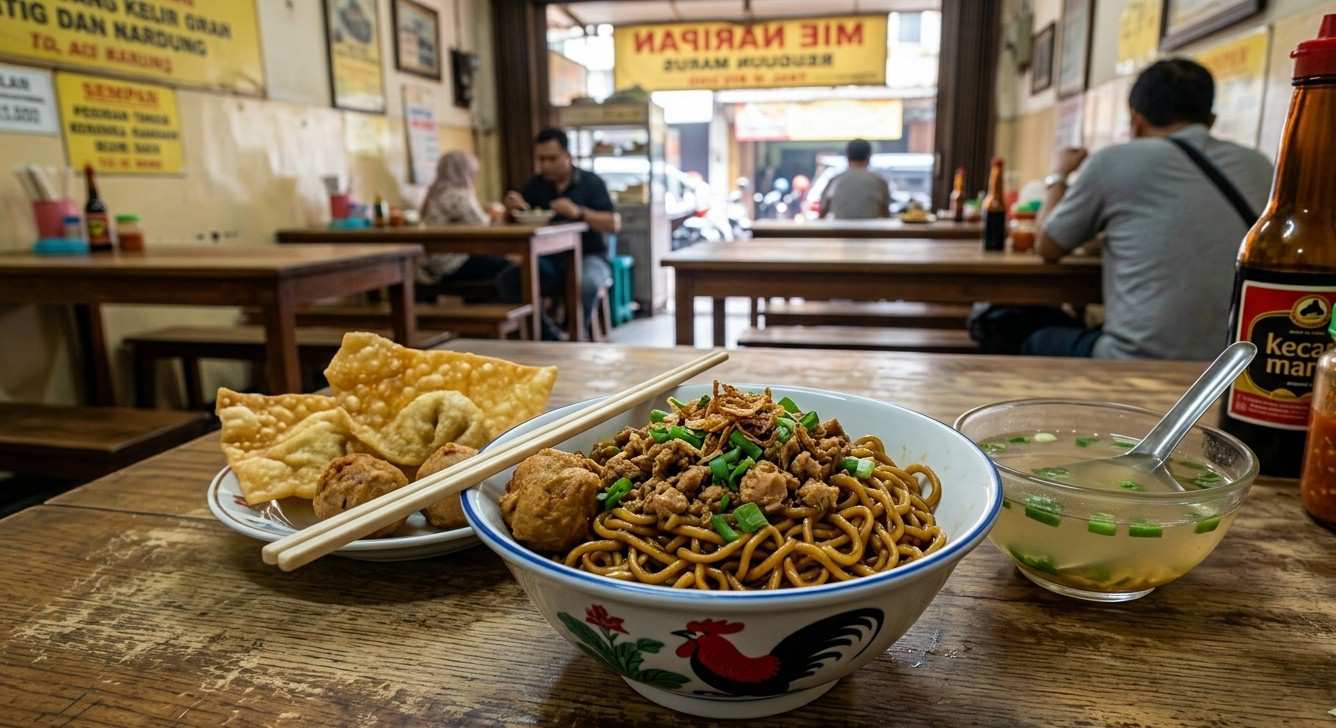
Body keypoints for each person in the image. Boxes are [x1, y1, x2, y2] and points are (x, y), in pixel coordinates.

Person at [1028, 58, 1273, 359]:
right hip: (1235, 367)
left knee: (1011, 326)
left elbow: (1047, 246)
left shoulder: (1112, 161)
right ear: (1210, 120)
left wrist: (1059, 173)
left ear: (1135, 120)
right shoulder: (1260, 165)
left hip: (1134, 360)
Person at [504, 128, 620, 338]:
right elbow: (525, 216)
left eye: (552, 158)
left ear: (567, 155)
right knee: (509, 279)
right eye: (541, 159)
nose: (546, 165)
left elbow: (614, 223)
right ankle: (551, 335)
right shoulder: (536, 185)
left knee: (586, 283)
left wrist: (579, 212)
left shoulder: (590, 182)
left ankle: (576, 334)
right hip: (549, 259)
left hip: (591, 256)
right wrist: (516, 208)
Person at [416, 150, 514, 302]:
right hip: (451, 263)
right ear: (464, 171)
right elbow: (483, 227)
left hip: (433, 262)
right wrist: (499, 213)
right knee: (511, 269)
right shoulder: (458, 194)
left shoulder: (434, 193)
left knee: (493, 263)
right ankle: (497, 316)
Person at [819, 139, 891, 220]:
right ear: (869, 157)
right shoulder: (879, 181)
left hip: (841, 231)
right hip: (870, 231)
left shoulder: (836, 180)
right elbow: (886, 214)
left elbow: (822, 211)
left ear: (847, 156)